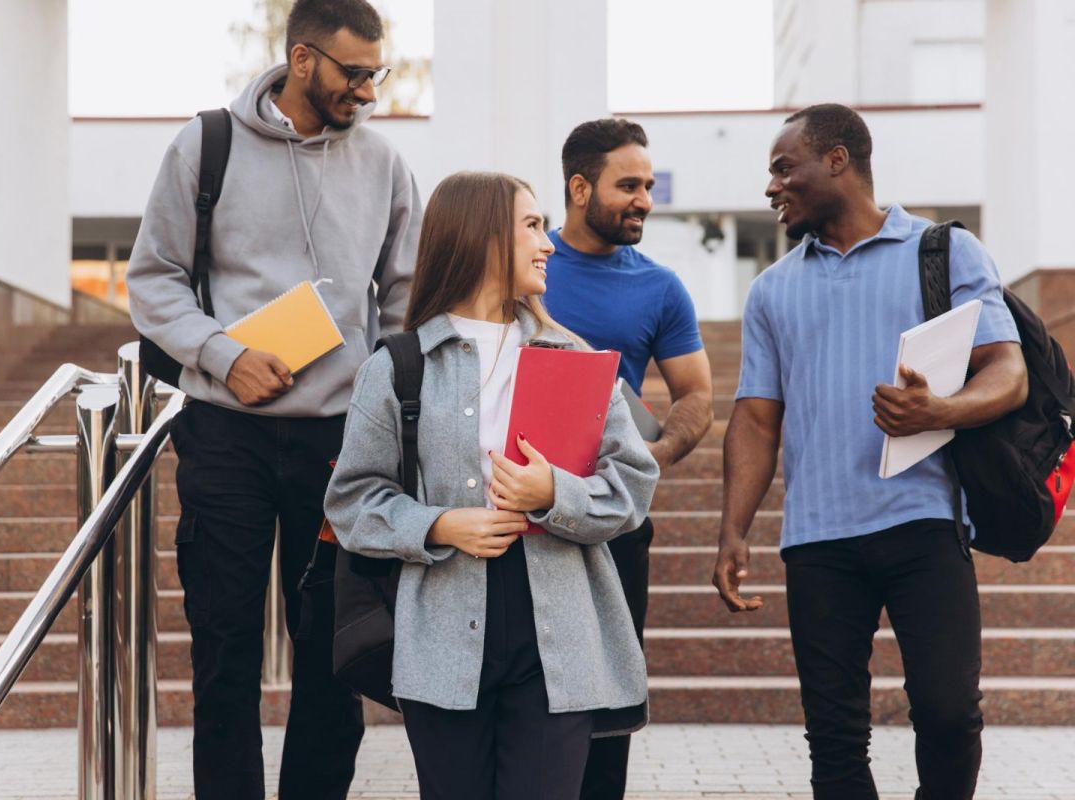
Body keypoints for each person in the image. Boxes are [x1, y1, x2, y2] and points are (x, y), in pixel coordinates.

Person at [125, 1, 421, 798]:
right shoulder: (207, 143)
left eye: (375, 73)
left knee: (335, 649)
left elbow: (402, 300)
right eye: (353, 73)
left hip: (340, 440)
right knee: (224, 651)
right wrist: (224, 355)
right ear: (301, 60)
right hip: (226, 432)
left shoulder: (385, 163)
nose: (366, 90)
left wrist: (379, 399)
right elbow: (150, 279)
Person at [712, 103, 1027, 800]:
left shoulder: (943, 252)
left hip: (924, 522)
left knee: (949, 715)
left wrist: (940, 410)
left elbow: (1008, 371)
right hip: (818, 539)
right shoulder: (772, 290)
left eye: (782, 167)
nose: (772, 187)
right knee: (834, 738)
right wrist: (734, 529)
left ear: (837, 161)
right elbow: (758, 421)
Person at [324, 171, 660, 800]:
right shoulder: (398, 366)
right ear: (481, 237)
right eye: (532, 225)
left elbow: (634, 484)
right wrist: (441, 524)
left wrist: (553, 493)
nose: (549, 243)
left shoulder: (573, 356)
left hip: (559, 633)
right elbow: (351, 501)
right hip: (442, 632)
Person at [543, 118, 713, 800]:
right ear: (579, 188)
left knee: (609, 705)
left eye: (647, 185)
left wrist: (658, 453)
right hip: (521, 515)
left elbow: (696, 392)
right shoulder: (525, 265)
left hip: (614, 524)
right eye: (628, 186)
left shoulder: (661, 287)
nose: (644, 198)